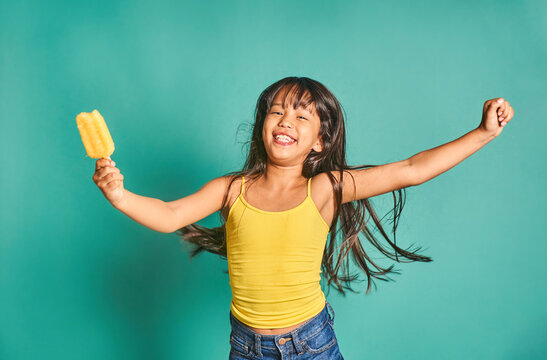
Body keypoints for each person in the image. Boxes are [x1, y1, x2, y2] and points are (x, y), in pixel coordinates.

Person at [92, 76, 514, 359]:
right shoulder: (232, 189)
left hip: (310, 343)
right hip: (246, 346)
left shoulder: (324, 188)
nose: (285, 121)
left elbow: (411, 170)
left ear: (319, 140)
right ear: (262, 125)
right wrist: (119, 194)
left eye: (301, 116)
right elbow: (170, 215)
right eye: (276, 111)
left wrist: (482, 133)